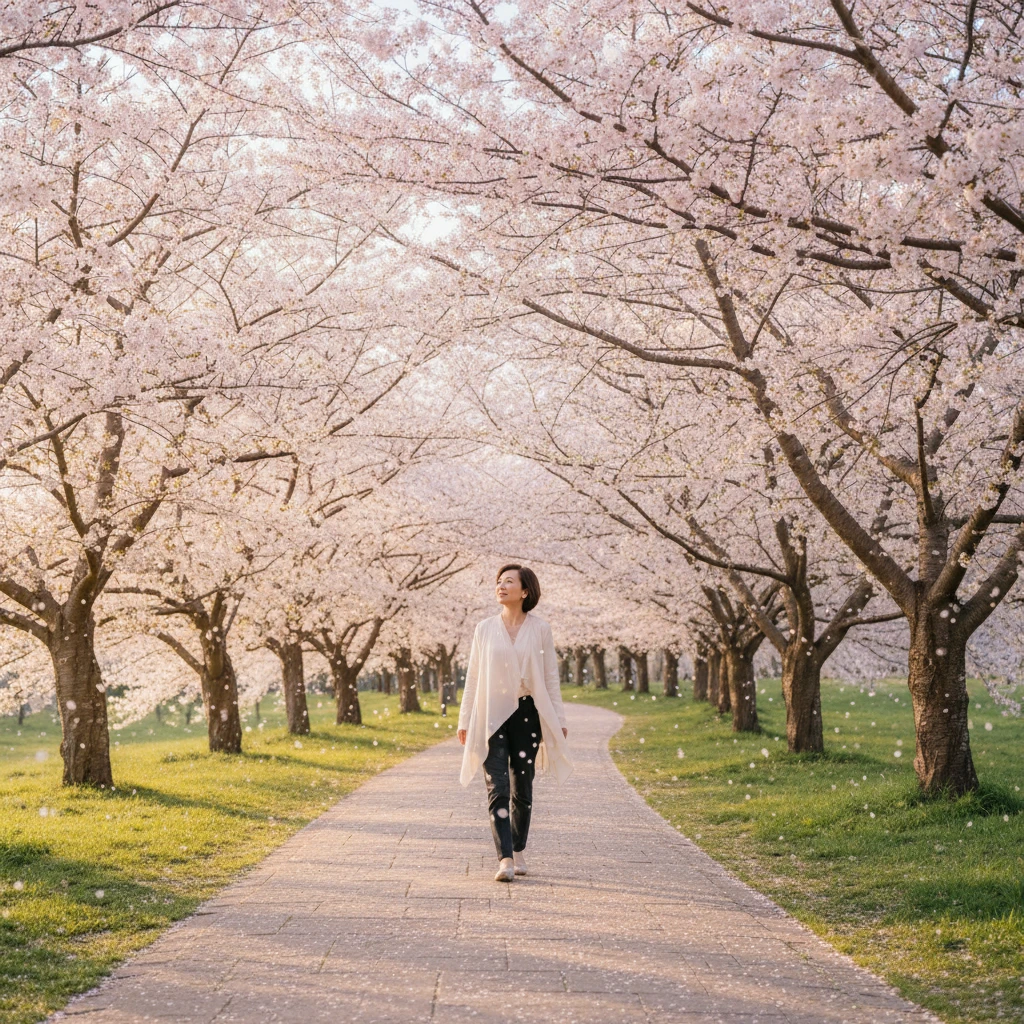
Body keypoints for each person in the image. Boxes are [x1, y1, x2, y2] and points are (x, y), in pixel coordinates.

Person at [458, 564, 572, 882]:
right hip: (491, 714)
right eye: (498, 581)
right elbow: (474, 678)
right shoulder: (484, 629)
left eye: (509, 581)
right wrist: (465, 719)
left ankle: (518, 846)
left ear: (525, 591)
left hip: (527, 715)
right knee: (498, 786)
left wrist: (558, 720)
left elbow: (550, 677)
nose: (501, 586)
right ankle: (505, 858)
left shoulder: (540, 629)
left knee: (522, 787)